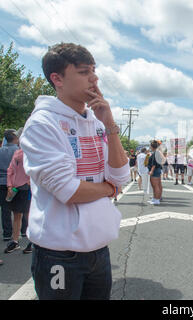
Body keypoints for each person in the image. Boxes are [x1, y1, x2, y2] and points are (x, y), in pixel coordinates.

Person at [19, 43, 130, 300]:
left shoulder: (96, 120)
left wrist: (110, 124)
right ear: (57, 79)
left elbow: (121, 176)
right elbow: (68, 190)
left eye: (94, 70)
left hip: (99, 249)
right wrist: (109, 189)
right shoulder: (42, 123)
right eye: (83, 72)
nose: (94, 78)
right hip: (59, 253)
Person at [4, 128, 33, 254]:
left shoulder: (32, 152)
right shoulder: (17, 153)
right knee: (17, 215)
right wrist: (10, 186)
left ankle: (33, 242)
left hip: (26, 188)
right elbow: (10, 170)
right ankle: (15, 241)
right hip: (17, 188)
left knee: (28, 215)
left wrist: (31, 180)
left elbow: (36, 170)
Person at [0, 129, 20, 242]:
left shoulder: (0, 151)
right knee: (19, 210)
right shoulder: (18, 151)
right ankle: (22, 231)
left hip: (1, 182)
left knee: (5, 209)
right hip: (16, 183)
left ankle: (7, 233)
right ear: (15, 138)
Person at [147, 140, 165, 205]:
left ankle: (157, 200)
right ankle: (155, 198)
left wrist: (151, 171)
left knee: (155, 186)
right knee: (158, 185)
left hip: (155, 170)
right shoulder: (158, 152)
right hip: (157, 169)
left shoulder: (155, 153)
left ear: (152, 146)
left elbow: (154, 164)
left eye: (150, 146)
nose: (150, 147)